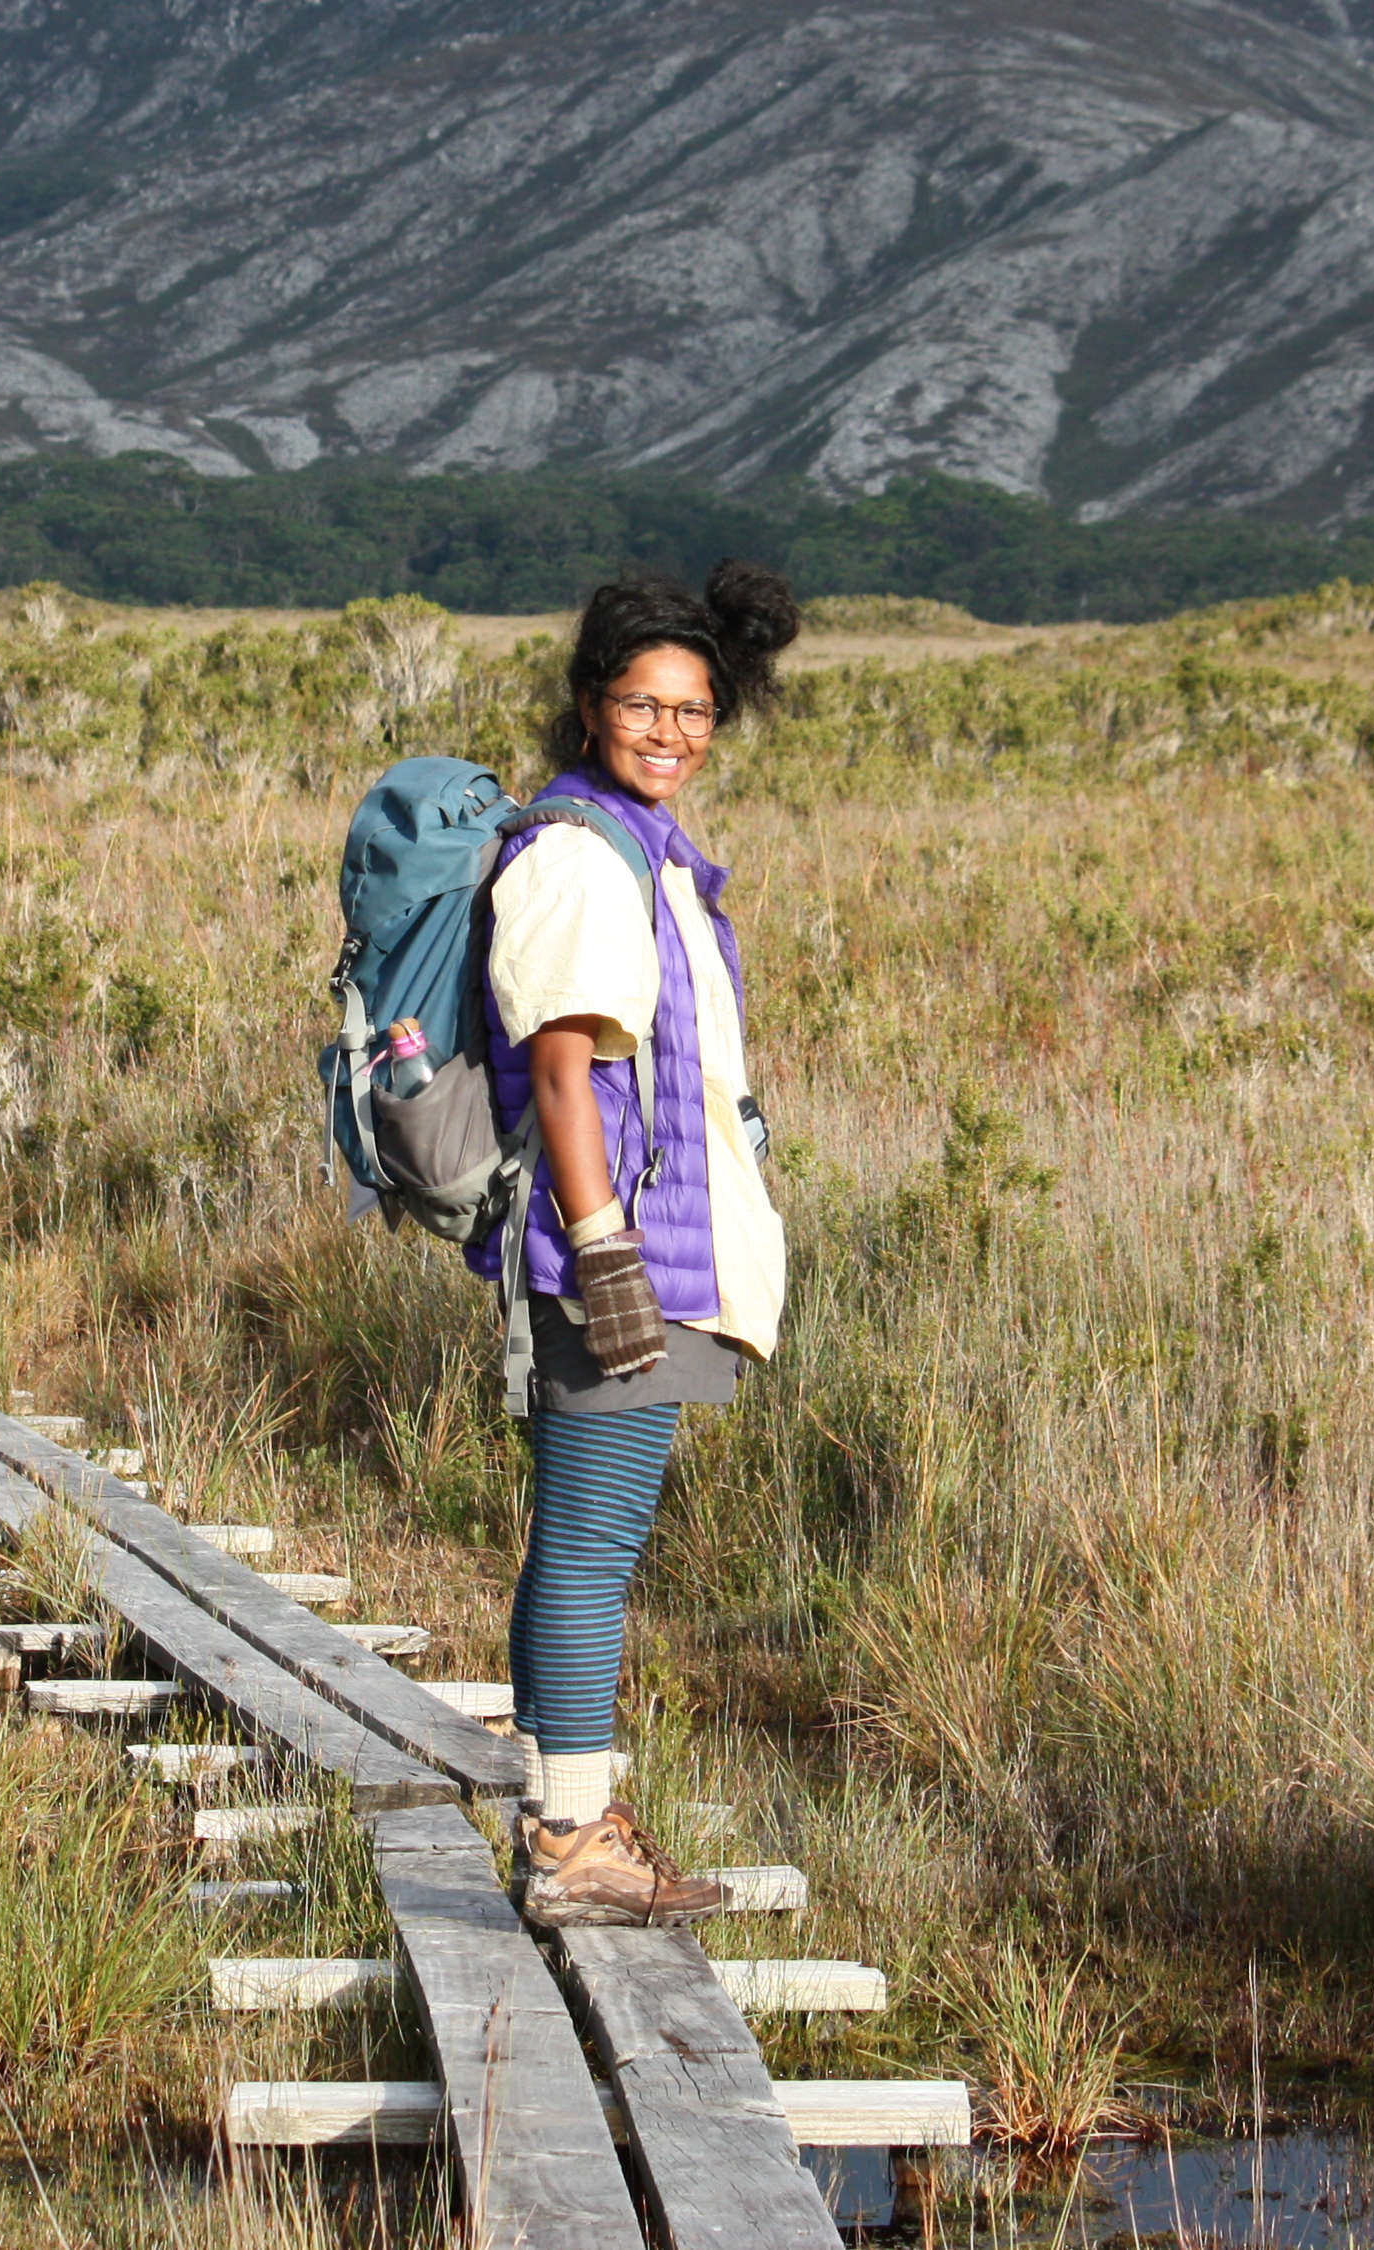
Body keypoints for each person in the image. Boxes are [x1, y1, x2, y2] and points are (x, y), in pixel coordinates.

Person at [470, 561, 798, 1928]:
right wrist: (603, 1252)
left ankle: (574, 1820)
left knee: (583, 1541)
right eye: (640, 704)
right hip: (612, 1260)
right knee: (593, 1545)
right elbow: (560, 1067)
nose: (668, 730)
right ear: (590, 706)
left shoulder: (640, 850)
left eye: (693, 708)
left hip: (644, 1252)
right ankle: (566, 1843)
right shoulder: (582, 856)